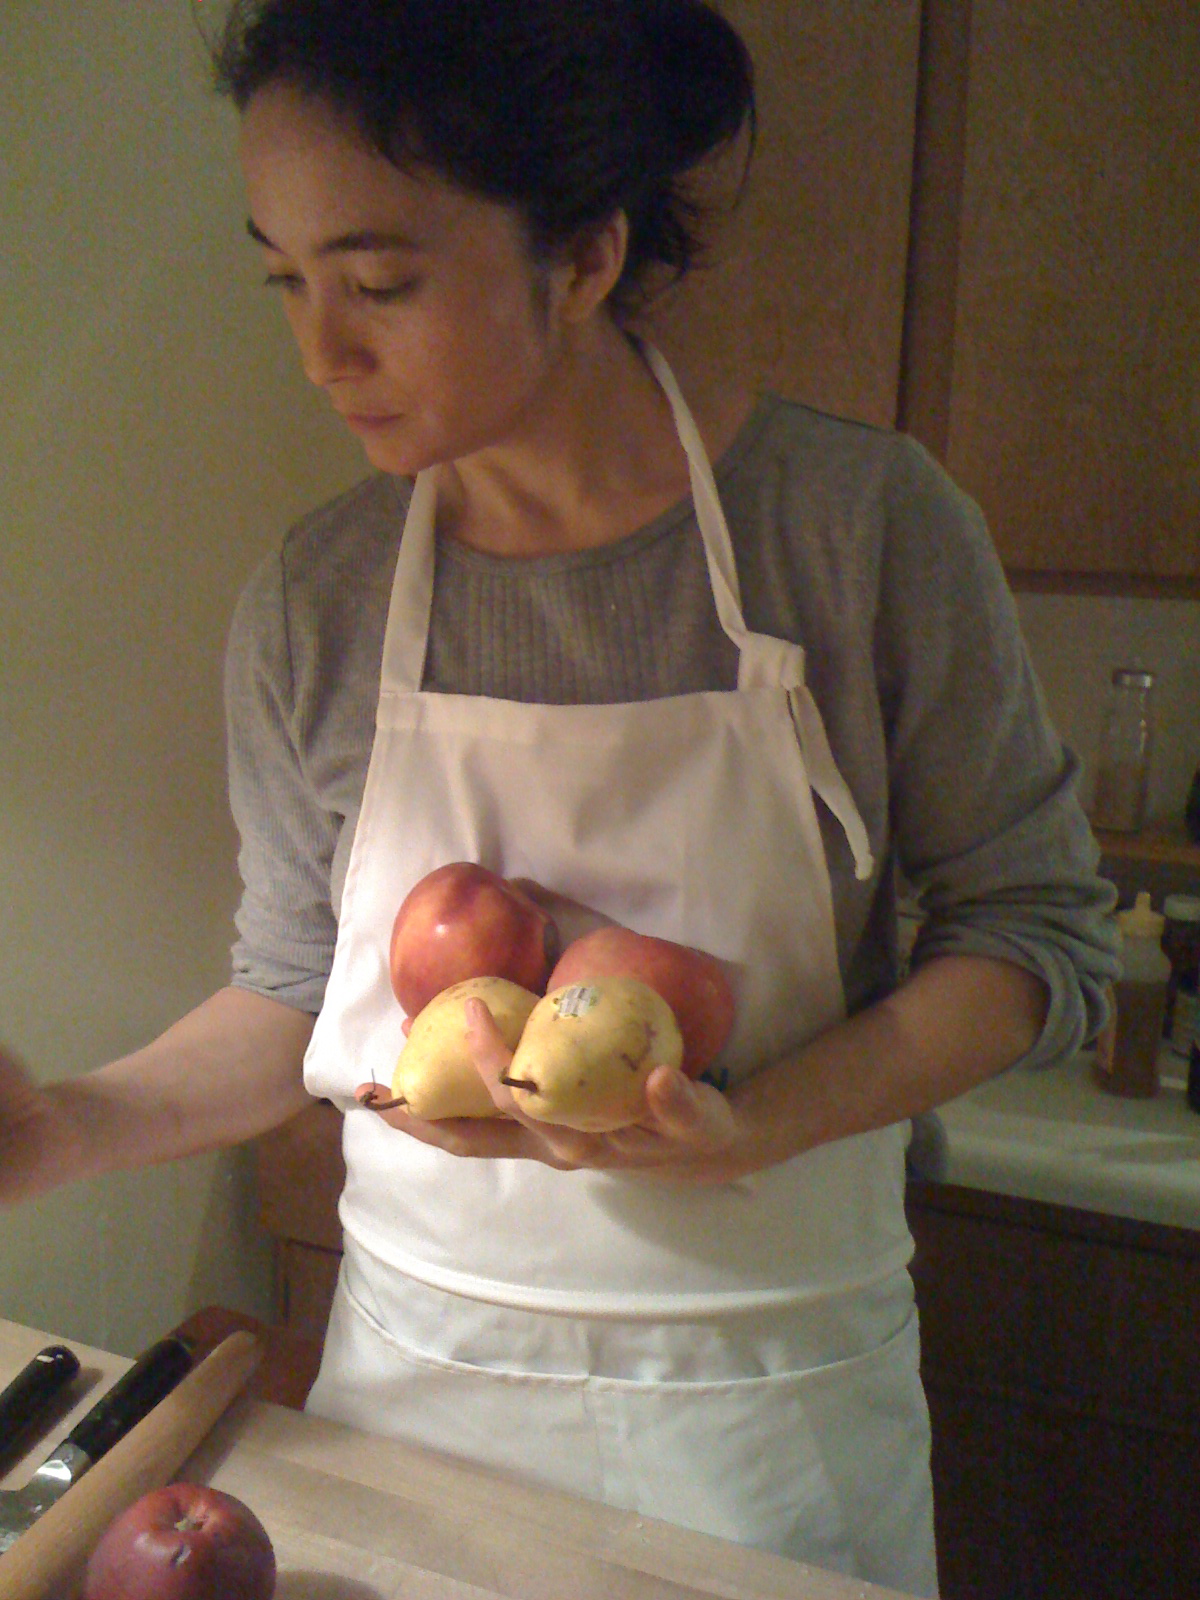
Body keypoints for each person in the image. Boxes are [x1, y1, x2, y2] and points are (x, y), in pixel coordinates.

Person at [0, 2, 1119, 1593]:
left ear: (586, 257)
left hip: (765, 1419)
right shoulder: (319, 599)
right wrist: (68, 1126)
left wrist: (752, 1126)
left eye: (381, 282)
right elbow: (294, 990)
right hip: (418, 1402)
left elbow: (1037, 939)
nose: (321, 352)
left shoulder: (857, 532)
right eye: (288, 281)